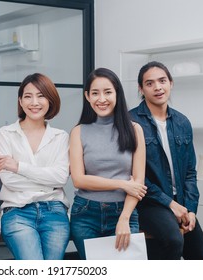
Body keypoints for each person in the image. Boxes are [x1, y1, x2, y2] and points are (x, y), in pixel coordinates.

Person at [129, 61, 203, 260]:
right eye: (149, 83)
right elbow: (132, 175)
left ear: (171, 83)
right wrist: (169, 204)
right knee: (173, 240)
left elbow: (190, 172)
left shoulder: (182, 122)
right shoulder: (130, 122)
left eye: (162, 81)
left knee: (202, 258)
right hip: (148, 203)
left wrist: (190, 210)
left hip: (181, 202)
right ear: (141, 88)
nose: (157, 87)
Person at [69, 67, 146, 260]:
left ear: (117, 94)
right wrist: (121, 183)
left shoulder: (135, 130)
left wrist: (124, 218)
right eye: (95, 93)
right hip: (86, 214)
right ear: (87, 96)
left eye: (108, 92)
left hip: (124, 211)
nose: (101, 99)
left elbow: (138, 182)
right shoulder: (78, 132)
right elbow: (78, 180)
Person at [0, 73, 70, 260]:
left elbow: (61, 178)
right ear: (20, 101)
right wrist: (47, 180)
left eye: (41, 96)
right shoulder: (6, 134)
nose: (34, 102)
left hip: (55, 211)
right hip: (17, 212)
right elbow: (9, 180)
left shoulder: (60, 137)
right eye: (28, 96)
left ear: (50, 100)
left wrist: (19, 167)